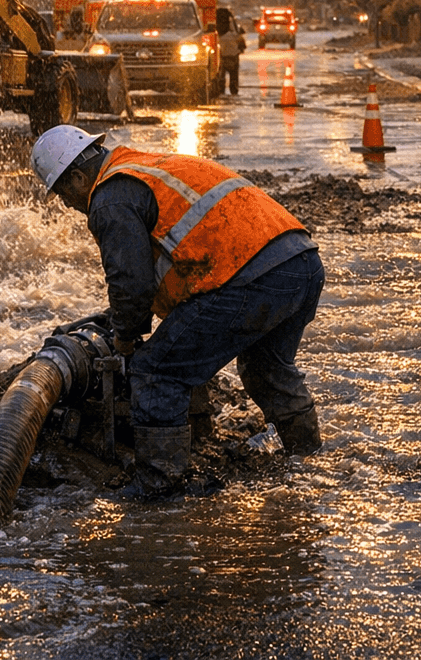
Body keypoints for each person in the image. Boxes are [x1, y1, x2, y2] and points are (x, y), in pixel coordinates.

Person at [31, 125, 326, 499]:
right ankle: (309, 462)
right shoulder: (142, 166)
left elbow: (131, 284)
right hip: (300, 262)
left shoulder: (110, 197)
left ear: (76, 177)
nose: (66, 205)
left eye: (62, 194)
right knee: (266, 369)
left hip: (250, 275)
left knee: (156, 370)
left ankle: (160, 487)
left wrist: (124, 335)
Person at [215, 7, 245, 95]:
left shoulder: (217, 35)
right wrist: (241, 48)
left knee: (221, 76)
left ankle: (221, 90)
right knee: (234, 76)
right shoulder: (235, 34)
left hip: (222, 57)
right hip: (233, 57)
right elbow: (242, 43)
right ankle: (233, 90)